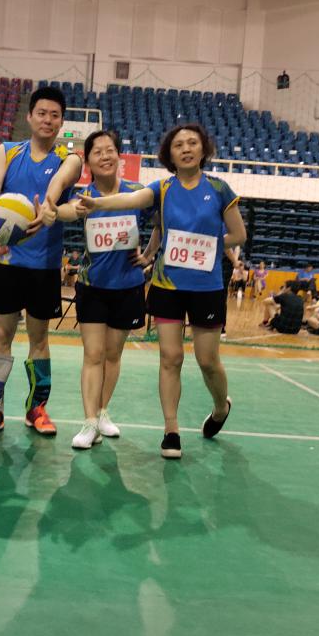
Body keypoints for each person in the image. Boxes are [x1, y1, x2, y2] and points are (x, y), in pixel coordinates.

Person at [77, 123, 246, 459]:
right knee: (170, 357)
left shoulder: (219, 188)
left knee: (207, 360)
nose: (186, 149)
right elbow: (132, 199)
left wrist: (206, 245)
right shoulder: (163, 188)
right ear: (169, 154)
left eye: (192, 143)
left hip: (207, 287)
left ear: (203, 149)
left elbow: (238, 235)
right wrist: (98, 204)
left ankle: (220, 407)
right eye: (178, 145)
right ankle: (171, 430)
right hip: (167, 285)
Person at [0, 86, 84, 438]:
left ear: (61, 122)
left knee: (39, 339)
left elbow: (60, 182)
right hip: (8, 260)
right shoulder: (6, 151)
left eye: (55, 115)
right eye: (42, 113)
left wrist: (48, 207)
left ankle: (37, 408)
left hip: (45, 264)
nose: (47, 120)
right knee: (1, 334)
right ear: (29, 116)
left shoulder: (69, 157)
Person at [46, 130, 158, 450]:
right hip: (92, 285)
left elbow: (162, 221)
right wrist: (53, 211)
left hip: (128, 286)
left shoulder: (137, 192)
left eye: (110, 150)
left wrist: (148, 255)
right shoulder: (84, 196)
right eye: (98, 152)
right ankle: (90, 422)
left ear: (119, 156)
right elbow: (67, 211)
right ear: (89, 163)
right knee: (93, 354)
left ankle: (103, 411)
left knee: (113, 355)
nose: (105, 156)